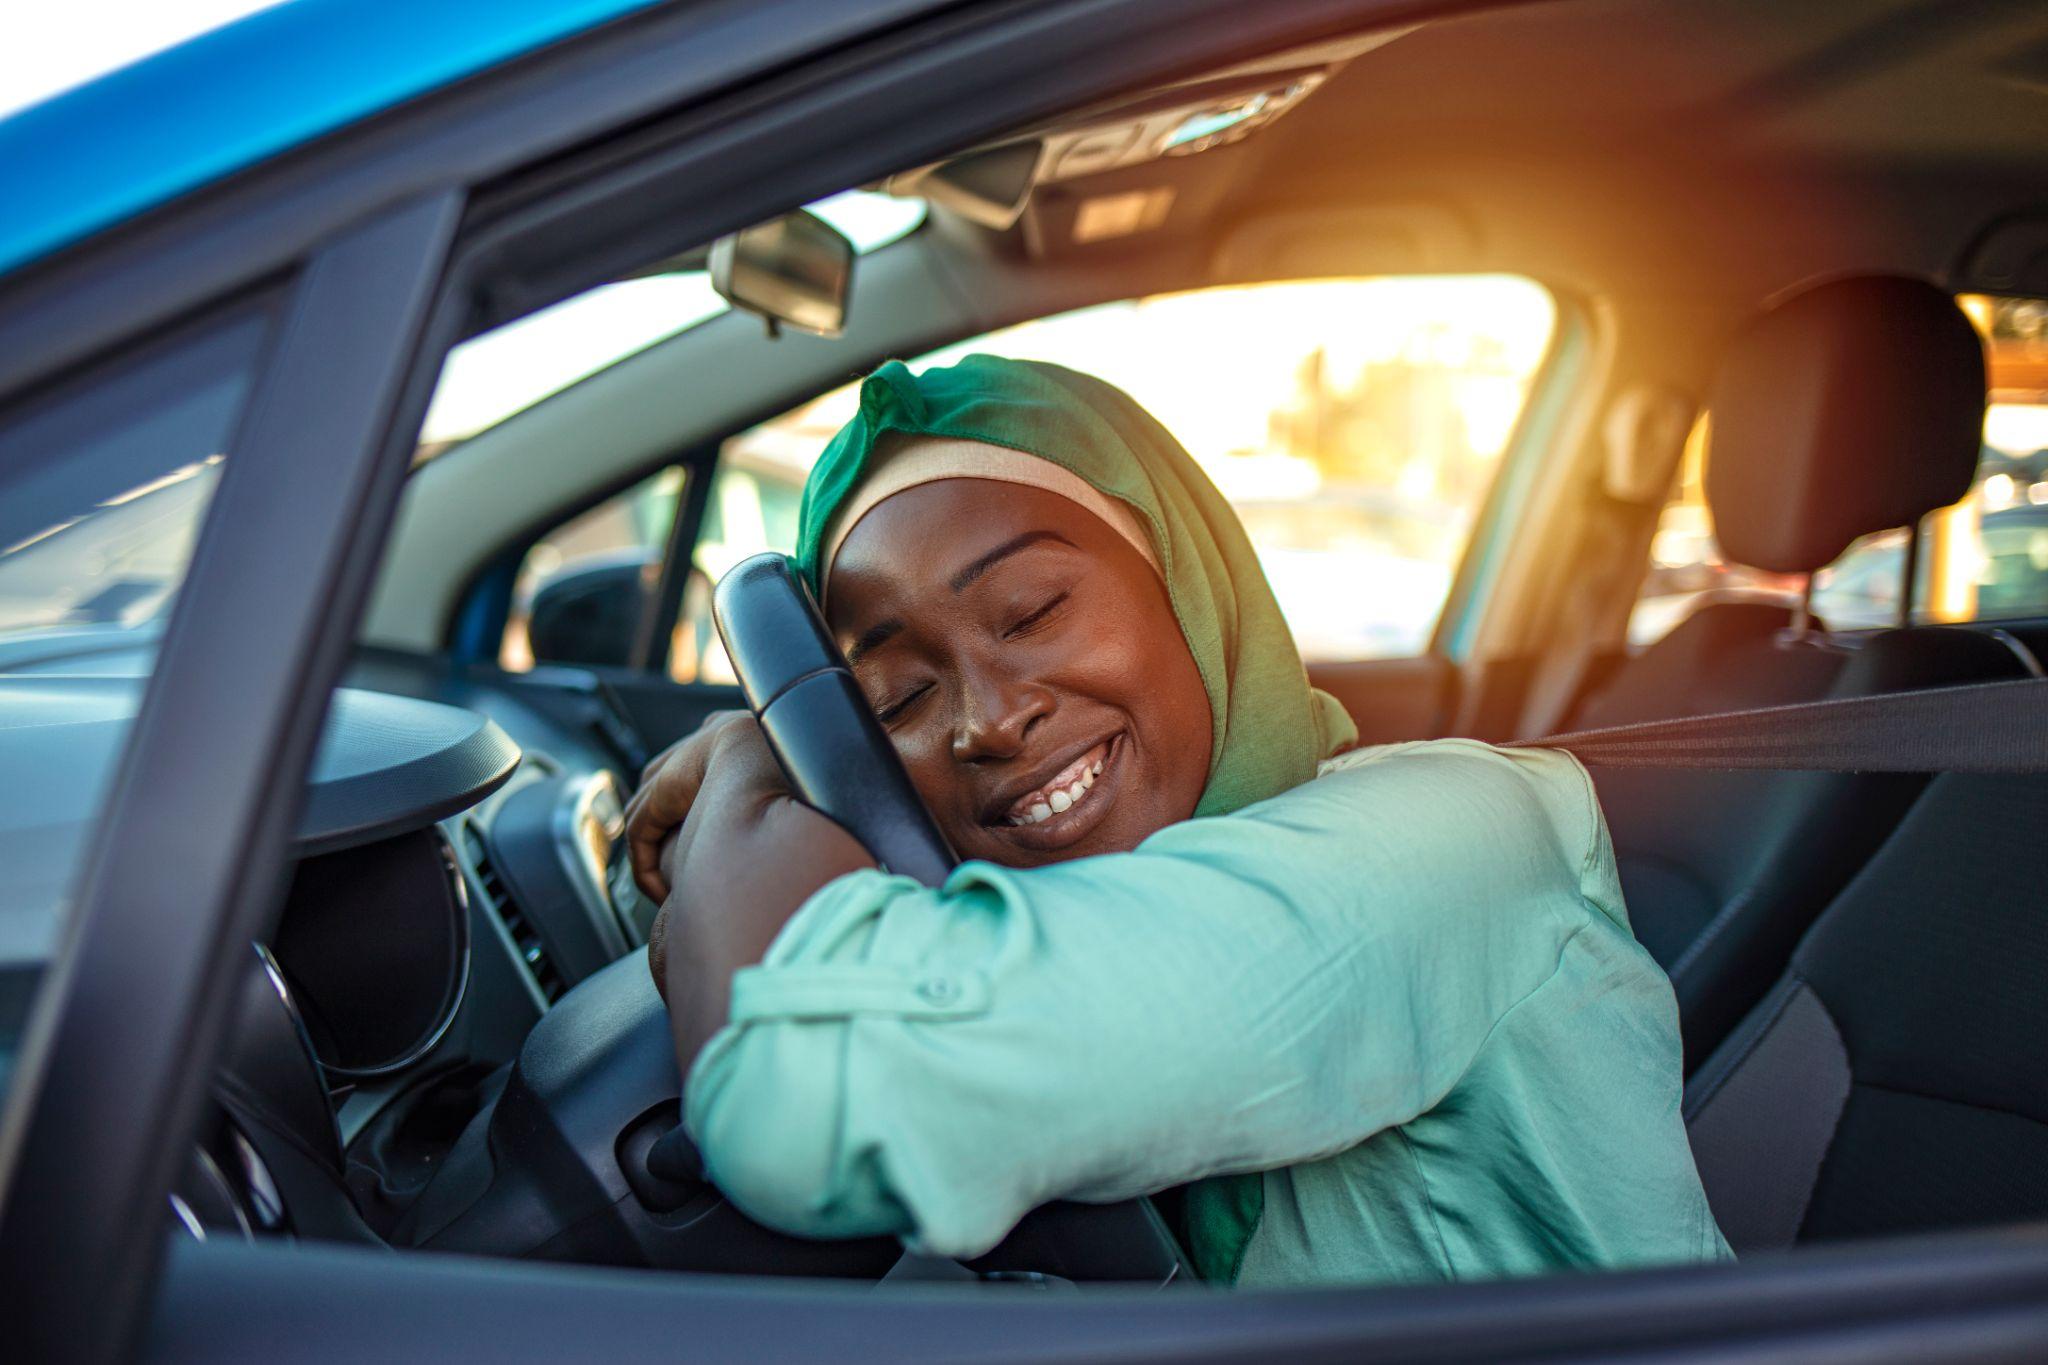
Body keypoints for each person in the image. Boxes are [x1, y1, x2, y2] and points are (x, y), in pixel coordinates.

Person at [625, 354, 1730, 1287]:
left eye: (1031, 611)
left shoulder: (1453, 841)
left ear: (1189, 585)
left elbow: (808, 1093)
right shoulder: (1077, 928)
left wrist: (740, 763)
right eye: (898, 701)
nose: (988, 720)